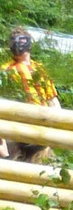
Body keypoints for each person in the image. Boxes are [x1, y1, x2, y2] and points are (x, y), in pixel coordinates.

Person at [1, 27, 62, 162]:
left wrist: (57, 126)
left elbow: (52, 99)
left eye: (22, 41)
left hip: (41, 128)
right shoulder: (5, 71)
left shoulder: (39, 69)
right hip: (16, 129)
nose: (19, 46)